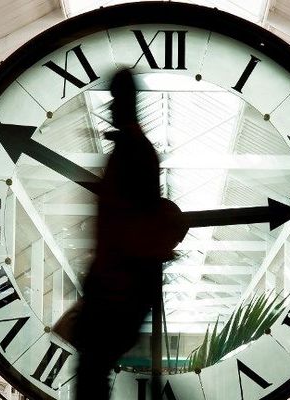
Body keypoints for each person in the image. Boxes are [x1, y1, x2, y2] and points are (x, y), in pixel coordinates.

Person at [74, 69, 168, 400]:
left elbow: (126, 223)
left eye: (116, 100)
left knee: (91, 372)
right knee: (93, 371)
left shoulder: (130, 152)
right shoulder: (138, 151)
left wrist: (103, 278)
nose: (111, 108)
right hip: (124, 285)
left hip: (116, 286)